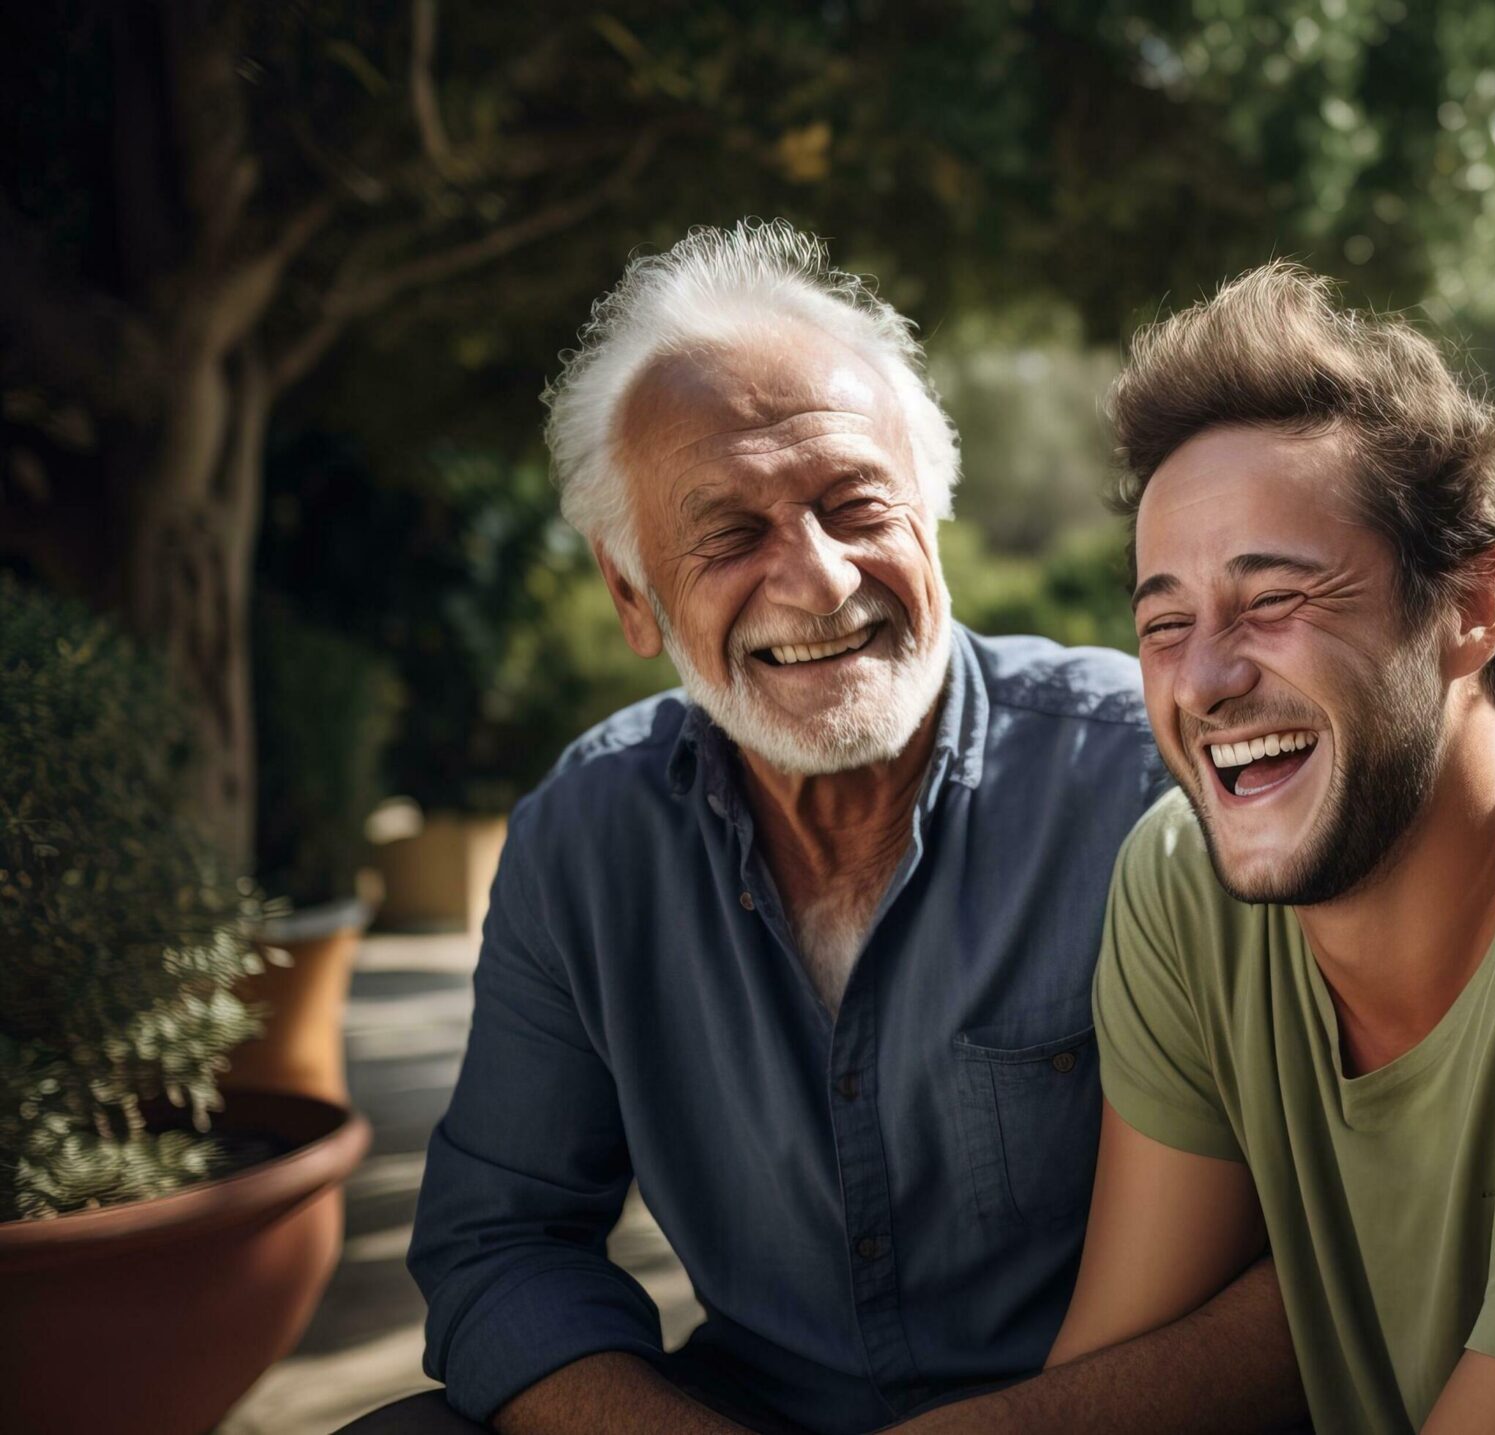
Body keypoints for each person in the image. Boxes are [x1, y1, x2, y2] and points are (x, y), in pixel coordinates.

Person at [361, 222, 1298, 1434]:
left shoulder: (1158, 774)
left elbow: (1333, 1246)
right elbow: (501, 1247)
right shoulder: (588, 840)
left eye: (856, 505)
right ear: (630, 594)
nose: (816, 581)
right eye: (731, 535)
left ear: (932, 511)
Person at [914, 263, 1495, 1435]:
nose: (1204, 679)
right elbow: (1120, 1379)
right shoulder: (1179, 877)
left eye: (1274, 601)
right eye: (1163, 625)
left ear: (1467, 607)